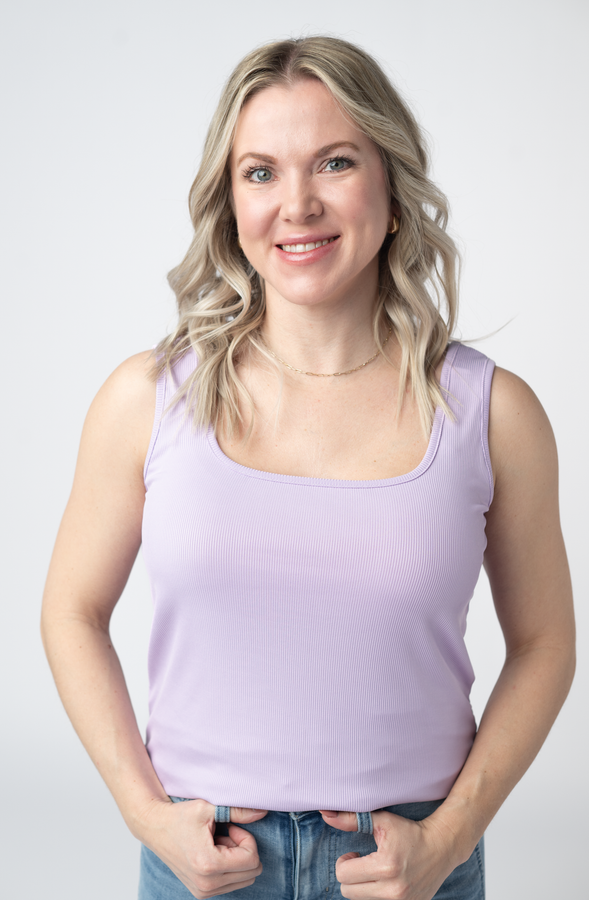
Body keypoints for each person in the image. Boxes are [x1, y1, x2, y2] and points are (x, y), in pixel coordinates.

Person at [41, 36, 575, 900]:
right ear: (229, 202)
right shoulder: (146, 399)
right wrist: (145, 813)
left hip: (406, 863)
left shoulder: (492, 413)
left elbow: (547, 644)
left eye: (333, 162)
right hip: (204, 858)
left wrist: (451, 837)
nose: (297, 204)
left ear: (391, 189)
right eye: (260, 172)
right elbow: (71, 610)